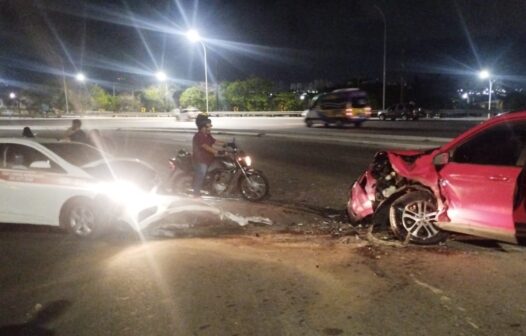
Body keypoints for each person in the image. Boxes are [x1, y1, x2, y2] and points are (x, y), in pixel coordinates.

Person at [192, 117, 224, 197]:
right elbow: (205, 146)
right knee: (201, 173)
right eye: (209, 126)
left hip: (209, 159)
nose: (210, 128)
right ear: (203, 127)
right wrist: (217, 151)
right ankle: (196, 193)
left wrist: (227, 144)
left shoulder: (207, 135)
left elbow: (215, 141)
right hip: (201, 160)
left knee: (220, 167)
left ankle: (214, 185)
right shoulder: (199, 136)